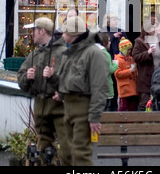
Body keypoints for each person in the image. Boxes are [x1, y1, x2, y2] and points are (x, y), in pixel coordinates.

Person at [17, 17, 72, 166]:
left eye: (33, 30)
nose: (31, 34)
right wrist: (27, 77)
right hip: (40, 106)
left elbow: (73, 81)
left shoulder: (63, 53)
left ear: (42, 31)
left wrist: (55, 78)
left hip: (59, 107)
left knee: (67, 149)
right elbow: (21, 80)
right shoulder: (34, 55)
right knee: (43, 150)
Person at [55, 16, 109, 166]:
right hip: (68, 108)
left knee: (80, 154)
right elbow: (65, 77)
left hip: (84, 109)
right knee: (66, 153)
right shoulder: (71, 52)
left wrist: (94, 117)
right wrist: (59, 94)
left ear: (74, 34)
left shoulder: (94, 54)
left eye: (64, 32)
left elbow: (100, 88)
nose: (62, 35)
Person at [132, 18, 160, 111]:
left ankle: (156, 123)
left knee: (159, 101)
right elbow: (135, 57)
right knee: (145, 103)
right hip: (146, 78)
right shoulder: (139, 41)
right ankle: (142, 123)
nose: (154, 30)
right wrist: (147, 53)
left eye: (154, 27)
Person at [114, 38, 139, 111]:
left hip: (133, 89)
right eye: (128, 50)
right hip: (124, 90)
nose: (129, 51)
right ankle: (120, 122)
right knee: (123, 108)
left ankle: (131, 122)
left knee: (132, 108)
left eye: (130, 49)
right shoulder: (117, 60)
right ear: (123, 50)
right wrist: (130, 71)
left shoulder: (131, 59)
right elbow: (117, 74)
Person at [96, 32, 119, 111]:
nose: (110, 42)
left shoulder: (94, 52)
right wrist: (115, 64)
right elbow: (109, 70)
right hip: (106, 86)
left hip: (96, 88)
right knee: (104, 110)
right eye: (108, 41)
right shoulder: (106, 54)